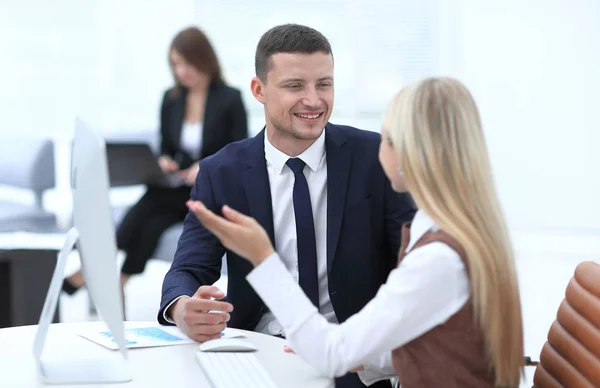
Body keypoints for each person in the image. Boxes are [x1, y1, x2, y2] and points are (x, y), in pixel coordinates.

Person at [188, 77, 525, 387]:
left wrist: (262, 258)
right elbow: (423, 341)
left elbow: (332, 355)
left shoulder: (439, 259)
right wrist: (351, 352)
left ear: (406, 155)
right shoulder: (457, 233)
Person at [158, 24, 416, 388]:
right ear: (259, 90)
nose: (314, 100)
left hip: (352, 358)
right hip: (256, 349)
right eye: (295, 86)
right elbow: (189, 266)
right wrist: (182, 307)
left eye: (324, 84)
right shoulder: (221, 172)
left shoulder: (375, 157)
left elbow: (413, 264)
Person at [62, 26, 248, 297]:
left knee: (152, 201)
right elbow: (167, 148)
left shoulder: (230, 98)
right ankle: (121, 282)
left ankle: (96, 266)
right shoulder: (172, 99)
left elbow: (237, 149)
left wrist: (206, 165)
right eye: (176, 64)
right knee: (152, 223)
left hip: (210, 188)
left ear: (204, 60)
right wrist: (165, 162)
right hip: (177, 187)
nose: (182, 70)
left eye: (188, 62)